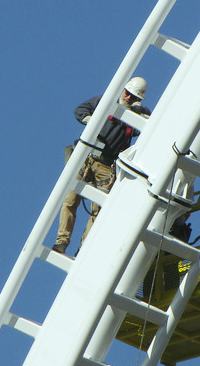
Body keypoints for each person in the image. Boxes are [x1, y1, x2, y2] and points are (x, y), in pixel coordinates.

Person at [53, 77, 151, 254]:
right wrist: (91, 120)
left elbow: (150, 124)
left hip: (106, 165)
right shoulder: (104, 102)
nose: (128, 98)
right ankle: (62, 242)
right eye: (127, 93)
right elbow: (80, 110)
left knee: (98, 210)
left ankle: (83, 249)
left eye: (133, 97)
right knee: (70, 200)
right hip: (87, 157)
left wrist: (138, 110)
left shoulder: (135, 117)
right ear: (123, 90)